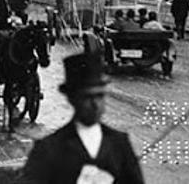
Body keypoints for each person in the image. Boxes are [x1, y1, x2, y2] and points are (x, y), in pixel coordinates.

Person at [19, 52, 144, 184]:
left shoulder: (119, 144)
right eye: (88, 97)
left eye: (100, 96)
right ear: (72, 99)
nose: (95, 104)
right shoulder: (50, 148)